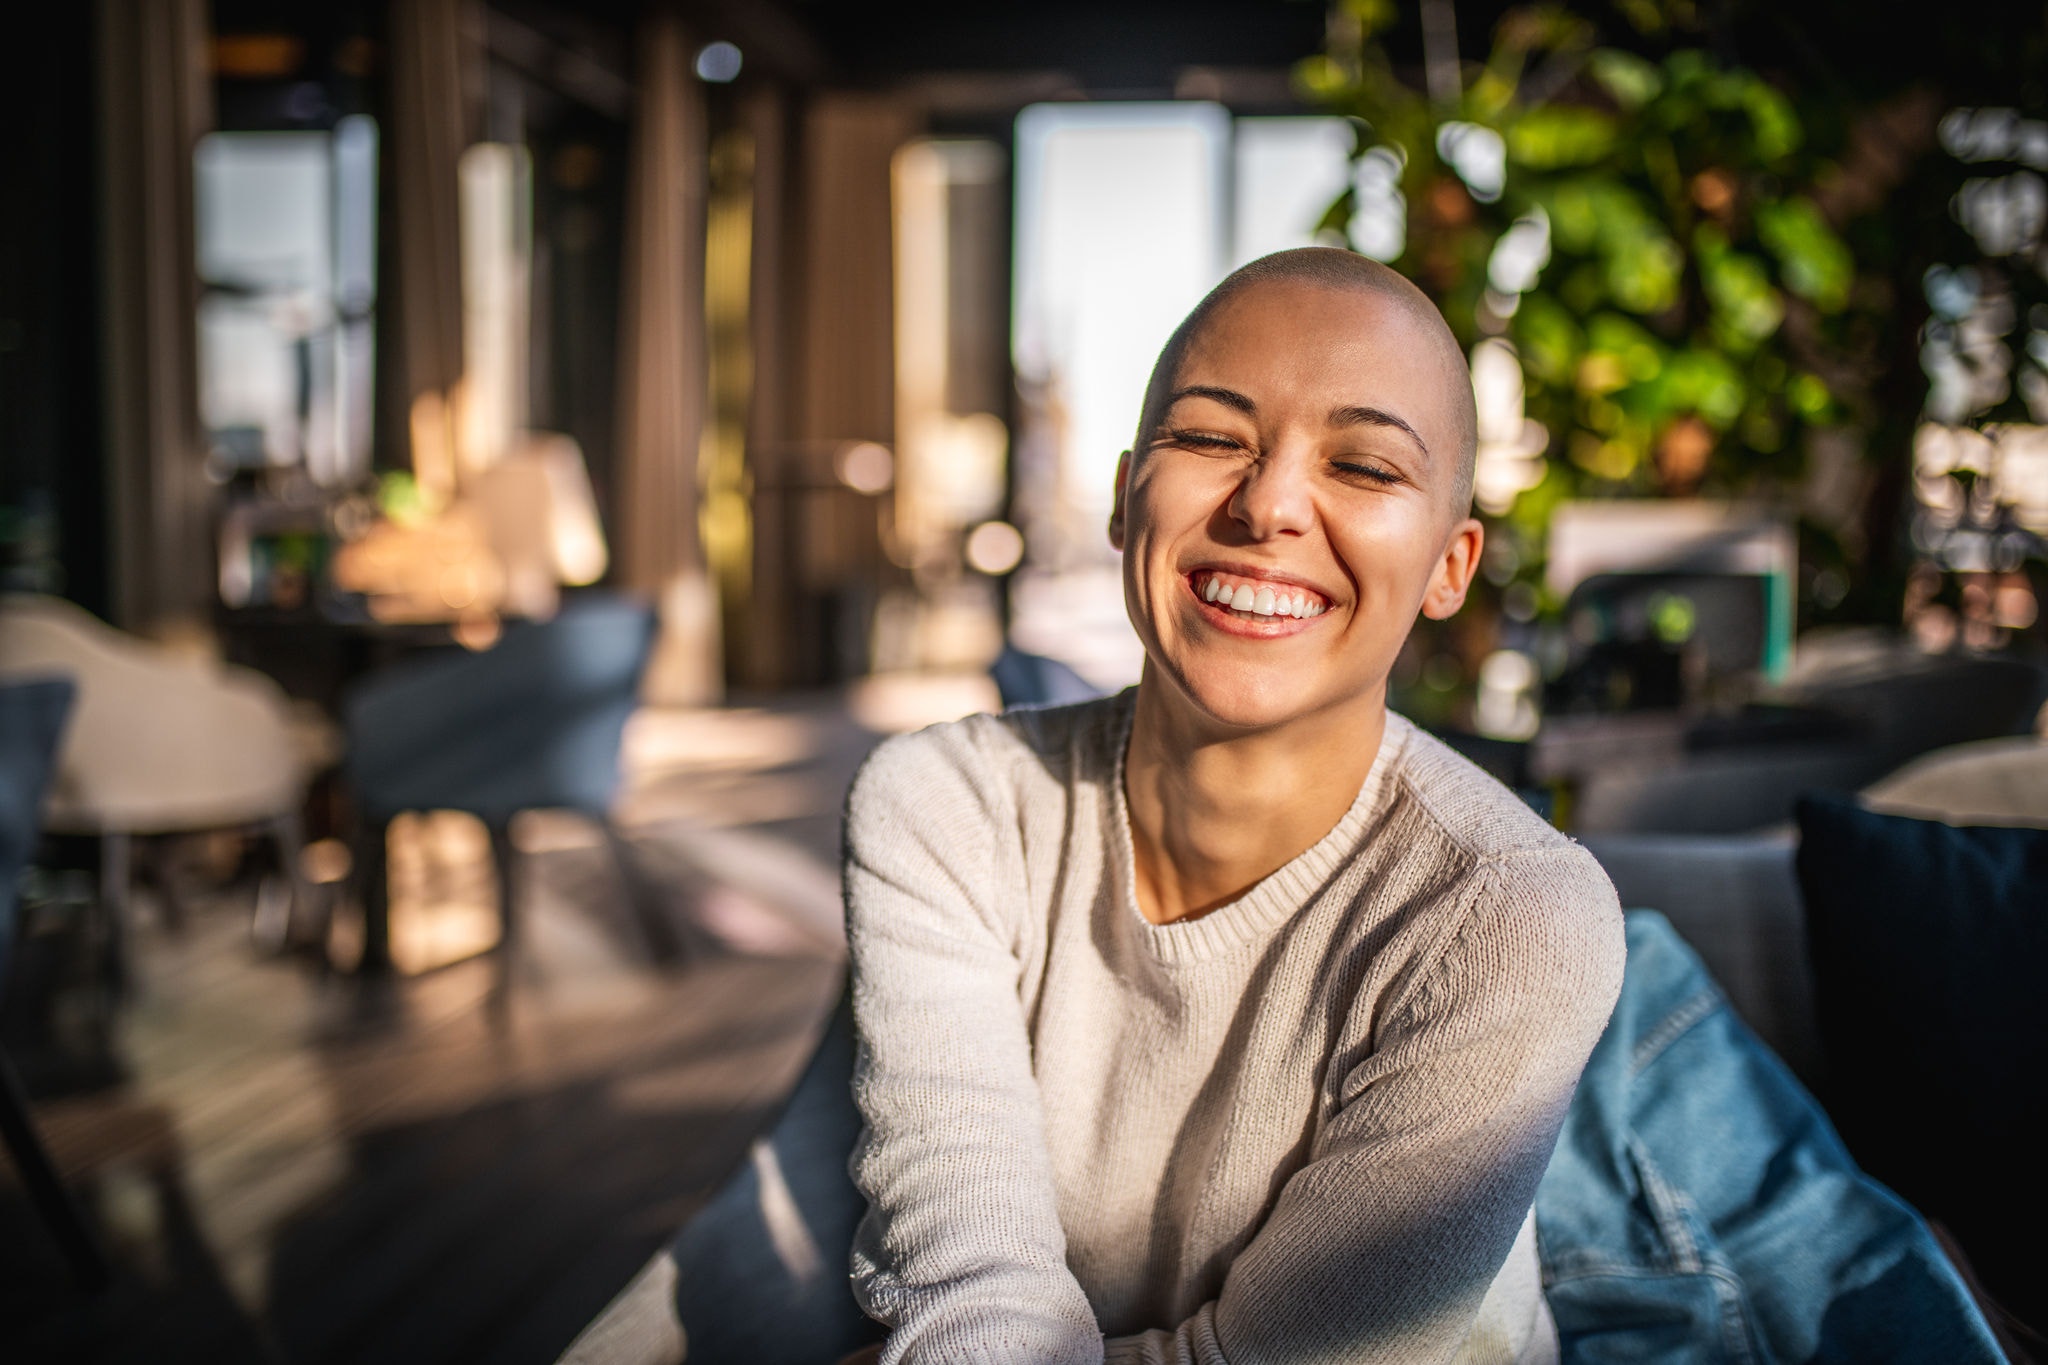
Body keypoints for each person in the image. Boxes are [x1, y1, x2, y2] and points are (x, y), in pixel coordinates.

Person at [839, 247, 1626, 1365]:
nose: (1266, 506)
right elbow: (973, 1301)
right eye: (1210, 439)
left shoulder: (1512, 918)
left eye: (1361, 466)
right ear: (1123, 500)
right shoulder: (944, 807)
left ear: (1449, 568)